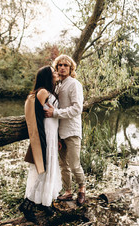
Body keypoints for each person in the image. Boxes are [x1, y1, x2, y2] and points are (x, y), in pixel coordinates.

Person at [19, 66, 62, 222]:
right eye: (53, 72)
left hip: (52, 134)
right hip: (45, 134)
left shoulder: (49, 91)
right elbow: (35, 114)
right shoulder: (42, 92)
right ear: (47, 76)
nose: (56, 73)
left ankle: (45, 202)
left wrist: (57, 138)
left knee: (49, 168)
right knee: (41, 170)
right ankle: (27, 204)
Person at [44, 54, 86, 206]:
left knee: (75, 164)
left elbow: (77, 108)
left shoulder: (74, 84)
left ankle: (81, 190)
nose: (62, 67)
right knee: (64, 165)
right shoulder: (58, 85)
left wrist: (55, 113)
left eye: (65, 65)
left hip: (72, 131)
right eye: (59, 65)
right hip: (59, 131)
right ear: (56, 68)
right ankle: (68, 192)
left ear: (71, 68)